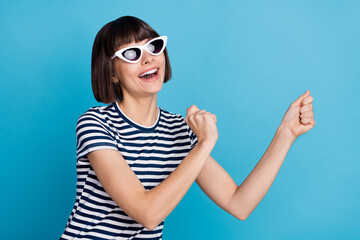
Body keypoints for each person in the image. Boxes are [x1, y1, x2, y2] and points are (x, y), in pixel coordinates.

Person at [60, 16, 316, 240]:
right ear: (112, 73)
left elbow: (239, 203)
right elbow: (147, 214)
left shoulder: (178, 130)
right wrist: (203, 144)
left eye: (153, 46)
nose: (148, 58)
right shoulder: (95, 123)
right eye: (131, 53)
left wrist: (286, 134)